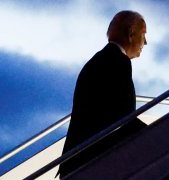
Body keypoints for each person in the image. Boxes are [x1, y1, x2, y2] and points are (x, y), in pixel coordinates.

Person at [57, 10, 147, 178]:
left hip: (79, 159)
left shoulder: (100, 59)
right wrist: (157, 133)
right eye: (143, 34)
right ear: (131, 33)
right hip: (94, 157)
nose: (145, 42)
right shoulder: (117, 62)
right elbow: (122, 115)